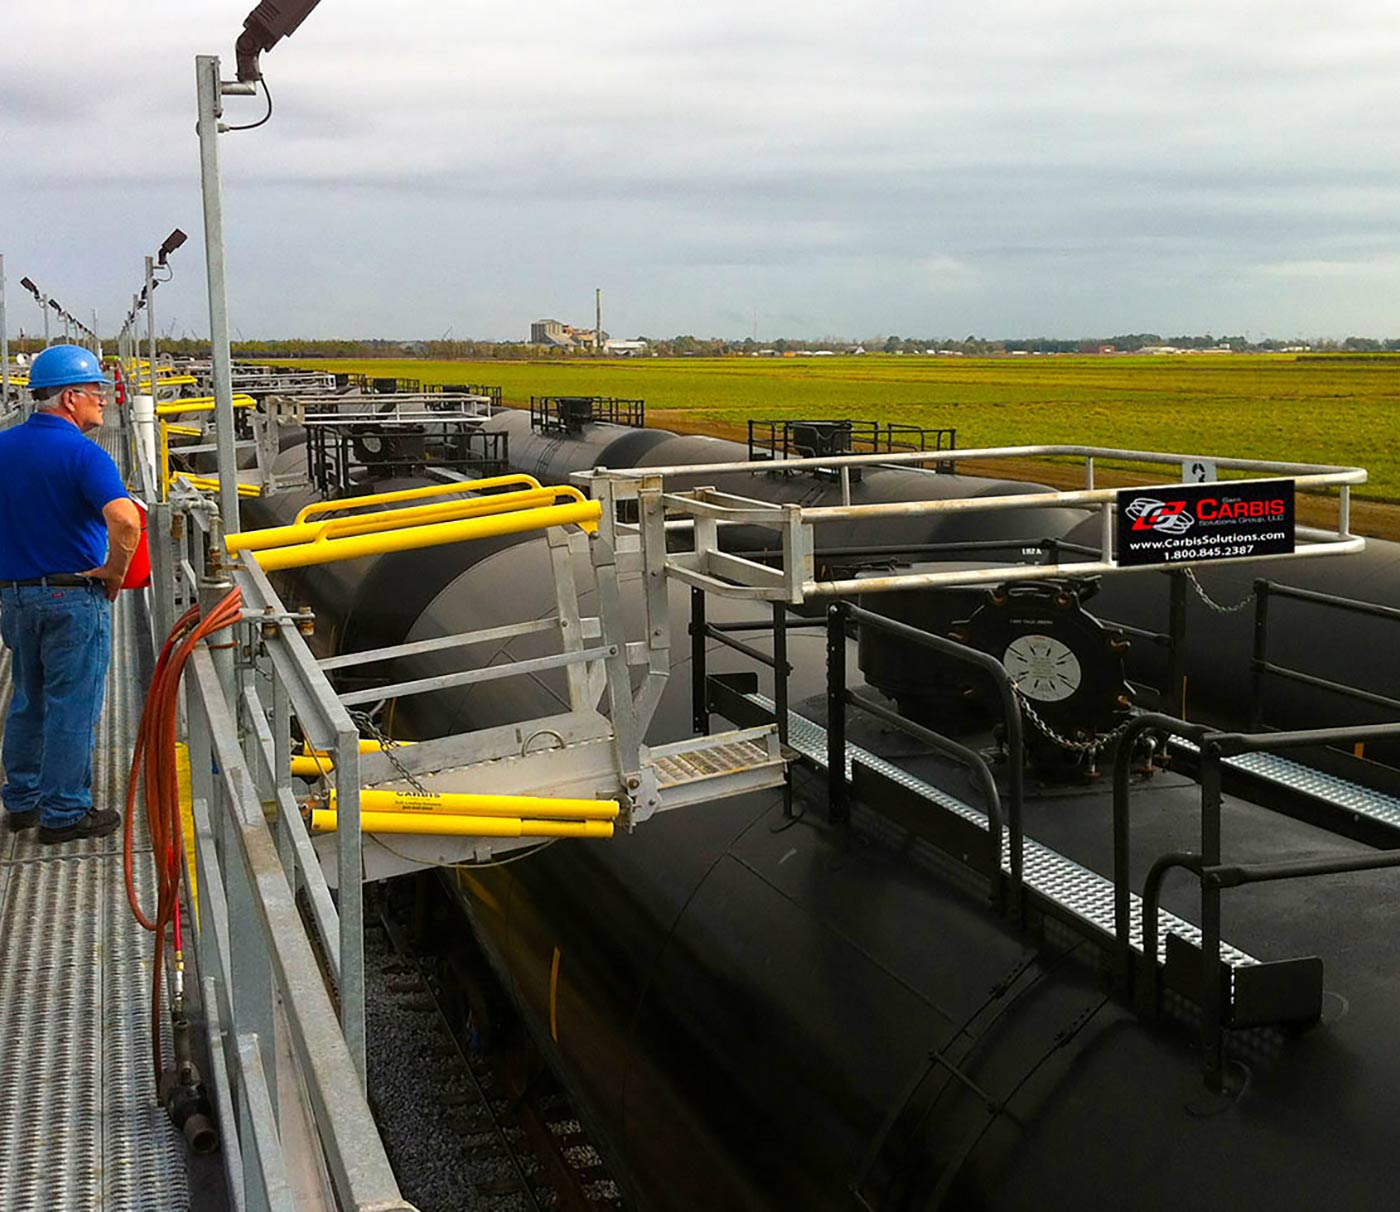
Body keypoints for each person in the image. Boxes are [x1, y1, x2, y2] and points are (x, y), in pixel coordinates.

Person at [0, 344, 141, 843]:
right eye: (96, 391)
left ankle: (22, 802)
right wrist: (114, 572)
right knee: (72, 705)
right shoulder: (84, 454)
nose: (104, 400)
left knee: (29, 697)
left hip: (14, 598)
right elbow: (126, 519)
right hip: (71, 596)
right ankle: (63, 813)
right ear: (70, 397)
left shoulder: (3, 445)